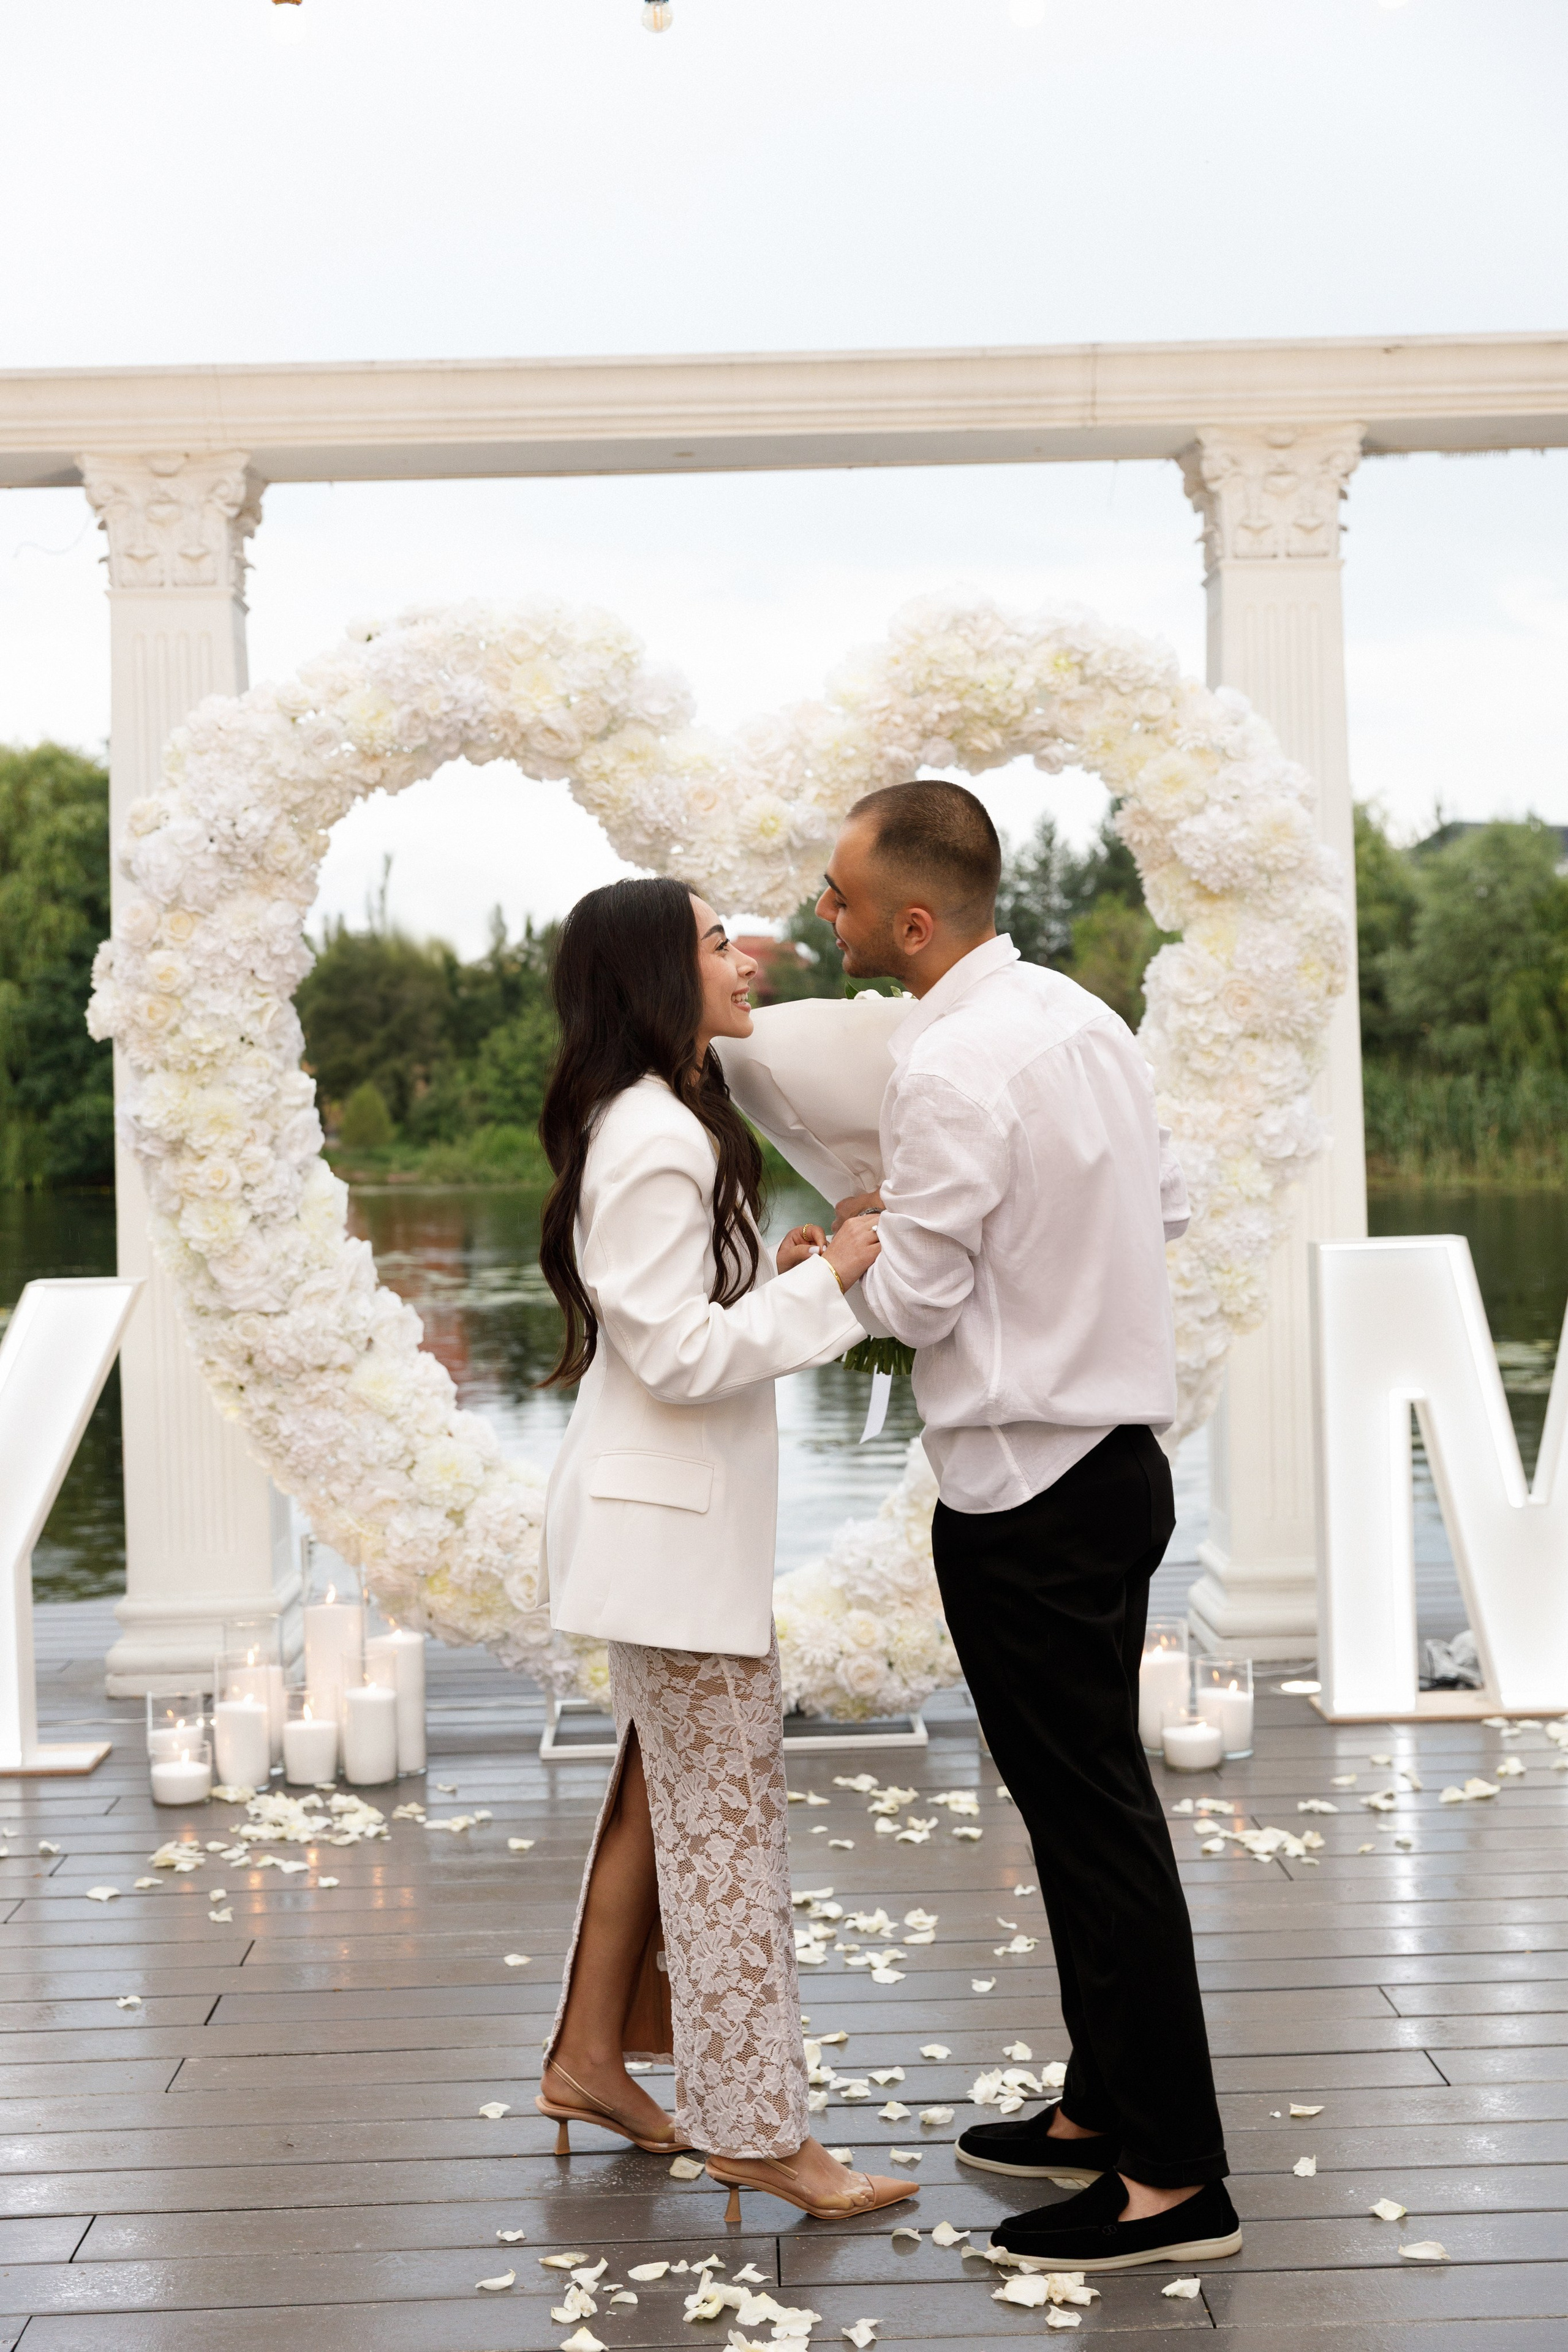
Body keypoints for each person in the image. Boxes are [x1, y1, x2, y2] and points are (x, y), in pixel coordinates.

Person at [815, 780, 1241, 2271]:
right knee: (1082, 1816)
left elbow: (920, 1301)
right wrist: (945, 1222)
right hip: (1116, 1466)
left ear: (912, 922)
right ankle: (1097, 2107)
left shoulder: (946, 1070)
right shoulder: (1079, 1020)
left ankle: (1175, 2180)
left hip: (1027, 1488)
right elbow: (1161, 1202)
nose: (825, 915)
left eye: (841, 896)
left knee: (1093, 1827)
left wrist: (843, 1251)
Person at [533, 875, 915, 2226]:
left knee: (663, 1800)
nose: (746, 958)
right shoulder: (652, 1133)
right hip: (666, 1543)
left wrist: (784, 1268)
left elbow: (684, 1316)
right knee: (726, 1829)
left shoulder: (664, 1119)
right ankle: (758, 2131)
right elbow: (677, 1356)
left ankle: (589, 2059)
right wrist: (834, 1284)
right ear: (655, 973)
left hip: (667, 1534)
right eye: (713, 943)